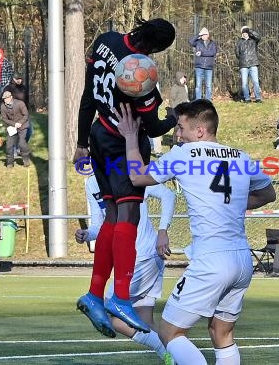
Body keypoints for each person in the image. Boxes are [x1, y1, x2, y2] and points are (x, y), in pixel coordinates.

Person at [116, 99, 276, 365]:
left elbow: (137, 176)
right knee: (221, 333)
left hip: (211, 262)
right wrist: (230, 205)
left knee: (169, 332)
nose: (177, 135)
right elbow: (267, 193)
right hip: (242, 260)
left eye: (181, 128)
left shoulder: (185, 154)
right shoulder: (240, 156)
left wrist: (131, 137)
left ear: (200, 131)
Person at [72, 18, 177, 338]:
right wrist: (173, 116)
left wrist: (80, 143)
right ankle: (119, 297)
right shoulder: (140, 73)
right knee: (129, 215)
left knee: (112, 216)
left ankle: (94, 293)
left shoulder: (105, 41)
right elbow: (154, 127)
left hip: (98, 136)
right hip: (124, 145)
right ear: (155, 47)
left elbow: (88, 96)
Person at [75, 176, 175, 364]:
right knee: (146, 321)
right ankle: (175, 359)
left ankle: (166, 351)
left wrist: (163, 230)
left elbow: (168, 195)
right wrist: (88, 234)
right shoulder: (92, 183)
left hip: (144, 256)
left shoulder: (130, 173)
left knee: (112, 313)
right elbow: (100, 225)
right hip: (137, 260)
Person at [0, 91, 31, 168]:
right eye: (4, 99)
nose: (5, 100)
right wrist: (14, 124)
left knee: (21, 143)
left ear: (11, 97)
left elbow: (26, 115)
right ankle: (10, 162)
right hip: (11, 127)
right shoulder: (3, 106)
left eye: (7, 98)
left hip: (23, 125)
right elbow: (4, 119)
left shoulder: (20, 103)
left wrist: (19, 123)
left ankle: (25, 159)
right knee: (9, 145)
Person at [188, 27, 218, 100]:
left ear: (208, 35)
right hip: (199, 66)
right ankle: (198, 101)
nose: (204, 36)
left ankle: (208, 100)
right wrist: (198, 34)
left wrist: (202, 53)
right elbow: (190, 41)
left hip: (209, 67)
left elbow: (212, 53)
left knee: (208, 85)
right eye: (203, 35)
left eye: (205, 34)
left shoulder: (212, 43)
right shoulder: (198, 42)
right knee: (198, 85)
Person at [235, 25, 262, 103]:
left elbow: (258, 36)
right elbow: (237, 53)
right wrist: (242, 59)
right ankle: (247, 98)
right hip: (243, 65)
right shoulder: (239, 42)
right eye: (243, 32)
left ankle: (258, 98)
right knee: (244, 83)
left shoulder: (253, 40)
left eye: (246, 32)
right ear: (241, 33)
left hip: (253, 63)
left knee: (256, 82)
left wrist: (250, 30)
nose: (245, 33)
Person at [168, 71, 190, 147]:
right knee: (177, 128)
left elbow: (186, 97)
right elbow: (171, 99)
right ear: (178, 78)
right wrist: (174, 109)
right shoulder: (174, 87)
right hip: (177, 111)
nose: (184, 80)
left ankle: (183, 142)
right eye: (182, 78)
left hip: (184, 110)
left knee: (184, 127)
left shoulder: (184, 87)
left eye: (185, 78)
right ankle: (174, 142)